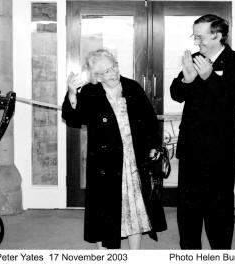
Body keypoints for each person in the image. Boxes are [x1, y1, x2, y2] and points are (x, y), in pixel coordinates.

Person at [62, 49, 166, 249]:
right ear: (98, 75)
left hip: (133, 159)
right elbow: (74, 118)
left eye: (115, 66)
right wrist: (72, 94)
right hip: (105, 162)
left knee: (135, 209)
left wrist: (153, 146)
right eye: (108, 71)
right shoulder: (91, 92)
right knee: (103, 210)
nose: (115, 72)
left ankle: (133, 255)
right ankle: (104, 256)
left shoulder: (132, 87)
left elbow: (150, 121)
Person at [170, 14, 235, 249]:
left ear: (217, 35)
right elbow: (176, 94)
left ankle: (220, 259)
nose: (196, 41)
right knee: (188, 213)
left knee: (218, 212)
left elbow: (233, 102)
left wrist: (208, 78)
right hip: (190, 150)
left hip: (219, 153)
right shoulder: (195, 58)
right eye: (194, 36)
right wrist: (186, 79)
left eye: (200, 36)